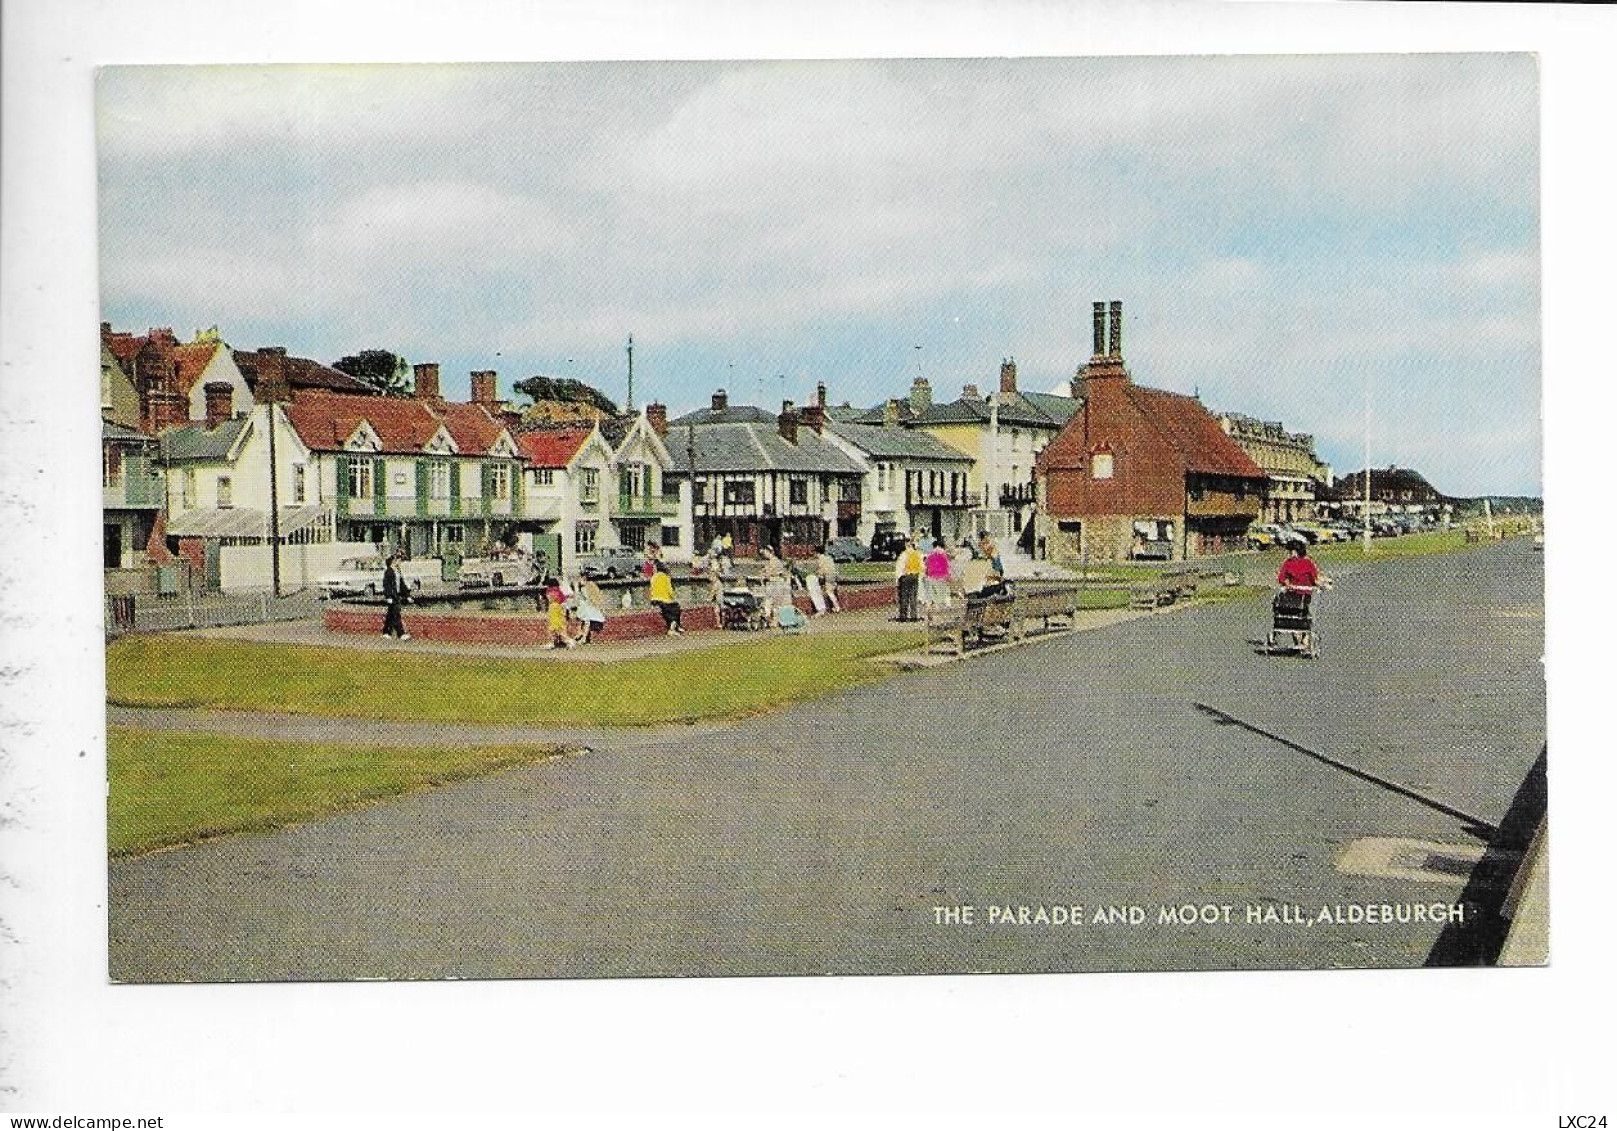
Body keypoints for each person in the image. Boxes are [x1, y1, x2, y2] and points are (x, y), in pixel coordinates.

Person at [381, 552, 412, 641]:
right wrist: (388, 596)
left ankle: (386, 632)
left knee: (391, 615)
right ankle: (401, 633)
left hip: (397, 595)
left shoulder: (398, 571)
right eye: (399, 560)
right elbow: (386, 585)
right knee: (396, 614)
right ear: (394, 561)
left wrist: (407, 595)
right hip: (392, 596)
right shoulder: (388, 572)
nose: (400, 562)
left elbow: (402, 584)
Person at [893, 536, 924, 622]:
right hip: (915, 576)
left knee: (904, 597)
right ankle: (914, 615)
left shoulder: (904, 555)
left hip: (906, 576)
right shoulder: (918, 554)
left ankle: (903, 615)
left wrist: (897, 580)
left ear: (906, 545)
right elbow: (922, 567)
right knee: (913, 596)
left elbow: (899, 568)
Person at [649, 560, 684, 635]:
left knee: (668, 613)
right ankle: (673, 628)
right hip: (665, 600)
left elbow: (651, 589)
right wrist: (675, 598)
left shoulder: (653, 577)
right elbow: (669, 590)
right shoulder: (666, 577)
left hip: (655, 599)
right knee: (677, 610)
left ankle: (674, 627)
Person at [759, 546, 792, 625]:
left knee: (772, 603)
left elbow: (772, 572)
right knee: (771, 603)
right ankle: (772, 620)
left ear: (769, 552)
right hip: (774, 584)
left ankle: (773, 620)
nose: (764, 554)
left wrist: (764, 574)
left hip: (775, 584)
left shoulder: (774, 561)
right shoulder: (772, 561)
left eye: (765, 552)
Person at [572, 575, 607, 644]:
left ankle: (583, 637)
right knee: (584, 622)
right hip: (585, 607)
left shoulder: (589, 585)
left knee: (586, 622)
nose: (579, 580)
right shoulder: (583, 586)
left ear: (584, 578)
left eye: (580, 578)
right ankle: (581, 636)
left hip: (589, 607)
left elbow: (592, 598)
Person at [542, 576, 574, 649]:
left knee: (554, 627)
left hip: (553, 608)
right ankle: (556, 642)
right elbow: (563, 599)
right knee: (559, 627)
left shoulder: (550, 590)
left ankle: (563, 642)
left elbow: (551, 599)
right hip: (560, 608)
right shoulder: (559, 590)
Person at [923, 536, 953, 609]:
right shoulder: (944, 555)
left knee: (934, 592)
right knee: (945, 591)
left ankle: (936, 605)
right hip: (942, 576)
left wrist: (926, 574)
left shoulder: (930, 555)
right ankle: (948, 604)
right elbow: (947, 566)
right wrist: (949, 576)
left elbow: (926, 566)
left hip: (932, 576)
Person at [814, 545, 841, 614]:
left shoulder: (820, 559)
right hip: (834, 576)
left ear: (817, 553)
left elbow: (821, 570)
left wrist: (818, 576)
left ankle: (837, 607)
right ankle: (834, 607)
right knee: (832, 591)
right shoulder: (829, 558)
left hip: (828, 577)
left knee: (829, 592)